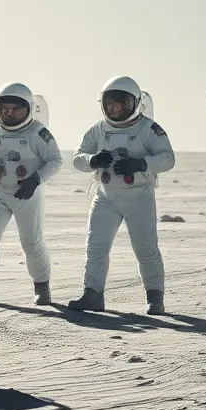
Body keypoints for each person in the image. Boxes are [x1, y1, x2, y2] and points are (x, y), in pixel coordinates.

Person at [67, 76, 175, 315]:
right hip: (106, 195)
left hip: (139, 196)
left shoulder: (148, 128)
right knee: (96, 247)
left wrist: (142, 164)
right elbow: (77, 158)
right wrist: (92, 160)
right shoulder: (98, 128)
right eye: (110, 105)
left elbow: (168, 158)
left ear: (134, 103)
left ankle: (155, 297)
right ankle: (92, 294)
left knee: (145, 249)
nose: (115, 109)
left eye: (120, 104)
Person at [0, 83, 63, 306]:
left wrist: (35, 180)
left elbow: (56, 161)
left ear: (28, 109)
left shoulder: (38, 132)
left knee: (31, 241)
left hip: (26, 194)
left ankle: (41, 285)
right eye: (4, 109)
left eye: (15, 109)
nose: (9, 114)